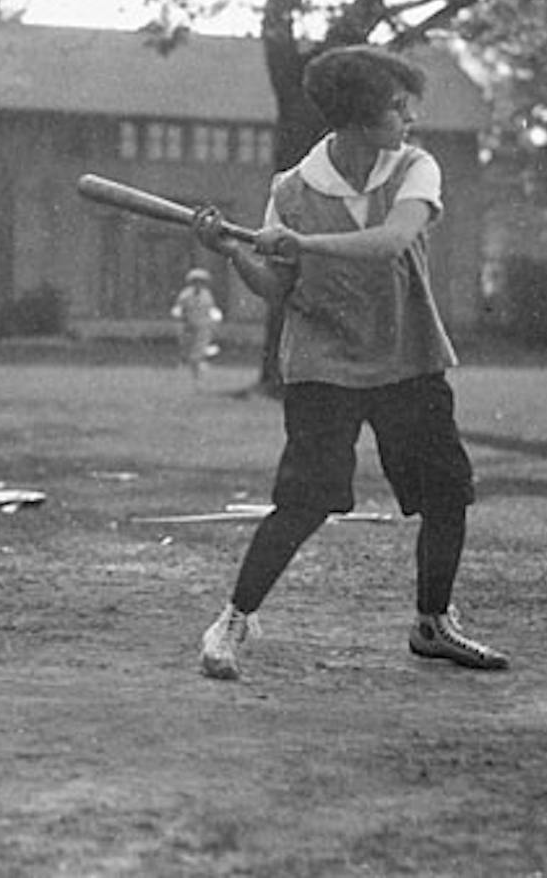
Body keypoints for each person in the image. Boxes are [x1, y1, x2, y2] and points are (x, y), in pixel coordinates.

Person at [191, 45, 509, 680]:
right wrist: (230, 251)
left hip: (405, 356)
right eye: (397, 108)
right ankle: (234, 619)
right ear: (358, 119)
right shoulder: (291, 190)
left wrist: (301, 243)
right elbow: (278, 288)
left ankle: (433, 623)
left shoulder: (416, 167)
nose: (409, 119)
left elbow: (392, 242)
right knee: (304, 499)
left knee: (446, 492)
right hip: (322, 361)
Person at [170, 267, 223, 382]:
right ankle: (191, 371)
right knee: (188, 348)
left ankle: (197, 374)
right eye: (195, 281)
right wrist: (179, 318)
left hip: (203, 327)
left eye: (201, 282)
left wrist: (215, 320)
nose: (198, 284)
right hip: (188, 326)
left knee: (199, 350)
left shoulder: (207, 295)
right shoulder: (185, 295)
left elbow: (210, 309)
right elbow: (179, 309)